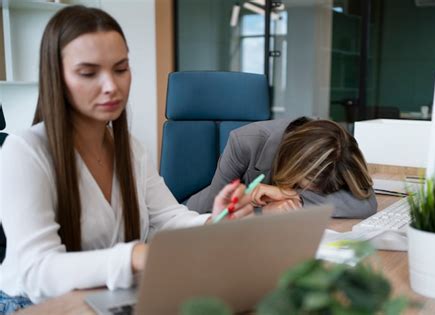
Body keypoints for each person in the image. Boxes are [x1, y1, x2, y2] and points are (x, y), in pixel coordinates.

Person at [0, 6, 252, 313]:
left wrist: (217, 219)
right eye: (89, 73)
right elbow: (39, 271)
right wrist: (135, 256)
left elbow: (170, 218)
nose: (111, 86)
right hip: (33, 305)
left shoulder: (130, 149)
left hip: (107, 297)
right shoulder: (23, 151)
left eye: (120, 69)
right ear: (57, 77)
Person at [188, 117, 377, 217]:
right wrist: (264, 212)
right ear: (293, 163)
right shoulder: (245, 142)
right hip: (191, 216)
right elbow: (214, 215)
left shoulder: (335, 145)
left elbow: (366, 202)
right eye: (310, 186)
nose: (319, 193)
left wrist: (294, 196)